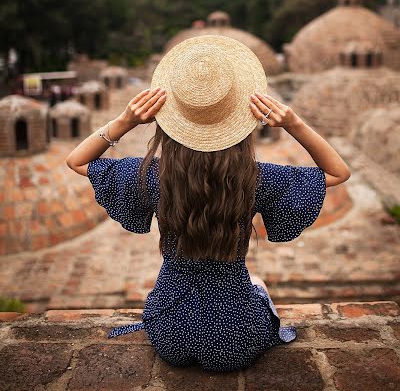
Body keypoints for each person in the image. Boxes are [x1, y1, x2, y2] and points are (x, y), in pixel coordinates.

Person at [66, 35, 351, 372]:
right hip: (235, 338)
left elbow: (77, 161)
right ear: (240, 126)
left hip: (170, 332)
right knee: (257, 284)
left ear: (169, 123)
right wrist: (293, 123)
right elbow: (338, 172)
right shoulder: (255, 179)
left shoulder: (153, 176)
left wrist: (126, 121)